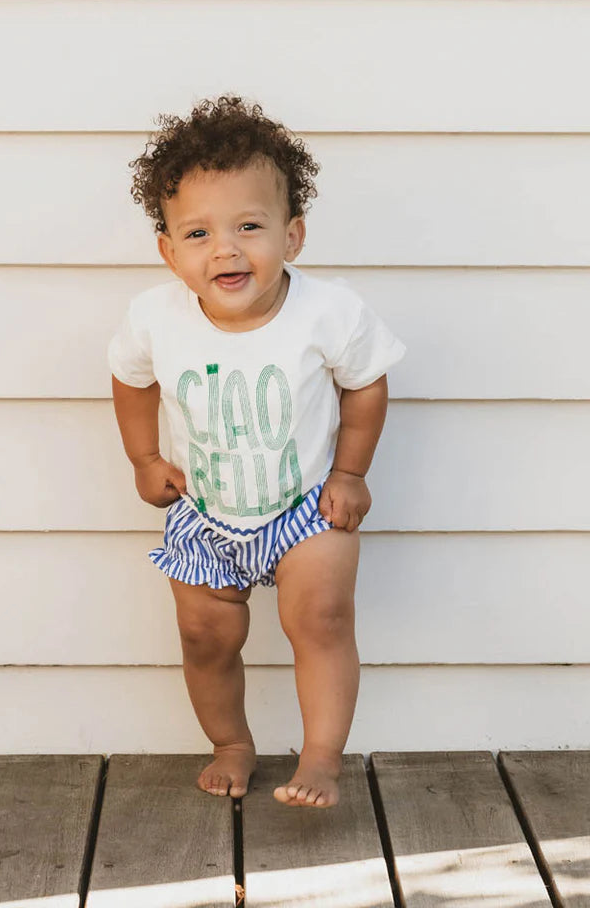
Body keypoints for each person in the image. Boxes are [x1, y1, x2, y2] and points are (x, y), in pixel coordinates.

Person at [107, 94, 406, 808]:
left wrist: (350, 473)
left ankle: (323, 758)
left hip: (306, 505)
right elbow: (130, 379)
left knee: (322, 620)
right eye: (200, 233)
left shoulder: (328, 311)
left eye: (250, 226)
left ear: (292, 236)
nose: (227, 249)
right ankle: (232, 744)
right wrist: (145, 460)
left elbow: (366, 384)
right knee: (205, 635)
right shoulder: (155, 317)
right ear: (169, 249)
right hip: (205, 512)